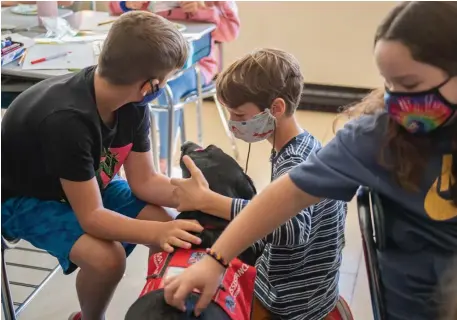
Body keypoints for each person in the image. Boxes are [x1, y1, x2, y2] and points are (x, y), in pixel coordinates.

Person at [163, 2, 457, 320]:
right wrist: (216, 259)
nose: (395, 99)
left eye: (410, 85)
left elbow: (291, 228)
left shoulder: (297, 153)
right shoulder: (376, 135)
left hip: (296, 305)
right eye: (389, 84)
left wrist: (209, 202)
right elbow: (288, 195)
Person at [1, 12, 204, 320]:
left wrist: (195, 197)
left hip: (85, 186)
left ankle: (155, 309)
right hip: (23, 199)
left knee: (163, 220)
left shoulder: (132, 104)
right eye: (166, 81)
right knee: (107, 259)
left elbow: (145, 180)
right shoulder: (67, 121)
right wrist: (159, 232)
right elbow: (93, 217)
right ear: (149, 86)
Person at [170, 48, 348, 320]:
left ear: (276, 108)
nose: (232, 124)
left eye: (240, 116)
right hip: (317, 290)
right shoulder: (308, 144)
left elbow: (290, 229)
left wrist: (208, 201)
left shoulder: (294, 161)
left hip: (289, 302)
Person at [109, 1, 240, 174]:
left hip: (198, 63)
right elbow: (114, 7)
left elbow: (231, 32)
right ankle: (124, 155)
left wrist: (203, 10)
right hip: (152, 60)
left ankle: (162, 162)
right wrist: (127, 3)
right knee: (126, 80)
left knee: (164, 88)